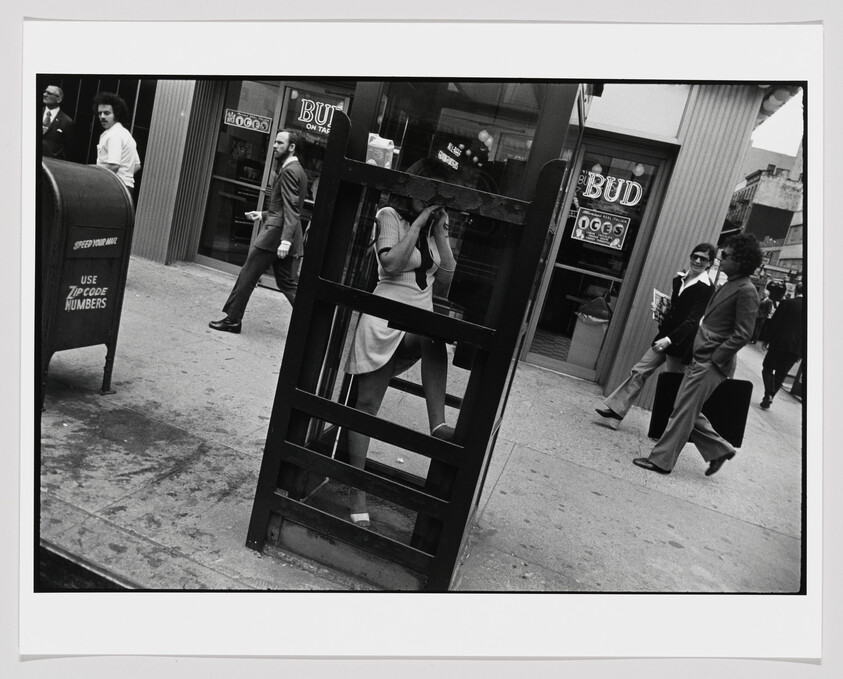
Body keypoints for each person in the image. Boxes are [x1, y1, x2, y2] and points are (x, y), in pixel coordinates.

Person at [344, 160, 458, 527]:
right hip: (384, 317)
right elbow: (391, 264)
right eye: (427, 189)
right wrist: (419, 223)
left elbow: (447, 275)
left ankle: (438, 425)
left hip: (416, 320)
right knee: (367, 405)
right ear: (412, 187)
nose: (431, 198)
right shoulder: (389, 215)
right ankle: (356, 488)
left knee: (433, 336)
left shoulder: (434, 227)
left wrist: (440, 230)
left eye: (438, 194)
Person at [633, 233, 762, 476]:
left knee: (683, 411)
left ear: (741, 260)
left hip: (711, 363)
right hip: (701, 358)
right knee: (684, 407)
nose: (721, 259)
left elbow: (743, 334)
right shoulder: (730, 284)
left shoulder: (747, 291)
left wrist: (715, 357)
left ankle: (661, 461)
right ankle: (720, 450)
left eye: (726, 256)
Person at [595, 243, 716, 426]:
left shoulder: (707, 288)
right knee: (639, 371)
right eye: (695, 256)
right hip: (664, 336)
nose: (697, 261)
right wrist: (661, 311)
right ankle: (616, 413)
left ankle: (674, 427)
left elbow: (692, 320)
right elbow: (676, 309)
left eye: (703, 259)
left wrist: (669, 340)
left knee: (674, 388)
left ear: (710, 263)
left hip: (681, 344)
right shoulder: (679, 279)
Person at [209, 129, 308, 334]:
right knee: (287, 283)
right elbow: (284, 207)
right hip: (282, 231)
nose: (275, 146)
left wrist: (285, 241)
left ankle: (233, 320)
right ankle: (310, 322)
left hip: (275, 236)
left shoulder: (290, 171)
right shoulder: (298, 170)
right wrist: (263, 214)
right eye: (275, 142)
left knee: (248, 275)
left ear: (292, 147)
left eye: (280, 143)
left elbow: (291, 208)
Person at [760, 282, 804, 409]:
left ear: (796, 290)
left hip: (779, 343)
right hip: (796, 348)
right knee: (781, 373)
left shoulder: (787, 303)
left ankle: (769, 393)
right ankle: (769, 397)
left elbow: (775, 322)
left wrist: (767, 339)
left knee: (767, 368)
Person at [93, 92, 141, 196]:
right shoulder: (125, 133)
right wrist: (124, 176)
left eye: (107, 113)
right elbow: (137, 165)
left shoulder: (114, 135)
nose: (102, 117)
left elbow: (114, 166)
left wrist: (93, 174)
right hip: (125, 187)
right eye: (100, 113)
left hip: (112, 187)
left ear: (117, 114)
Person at [41, 85, 74, 159]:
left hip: (51, 162)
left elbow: (68, 150)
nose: (44, 94)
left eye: (49, 93)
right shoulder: (33, 113)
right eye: (45, 92)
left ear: (58, 99)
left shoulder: (67, 122)